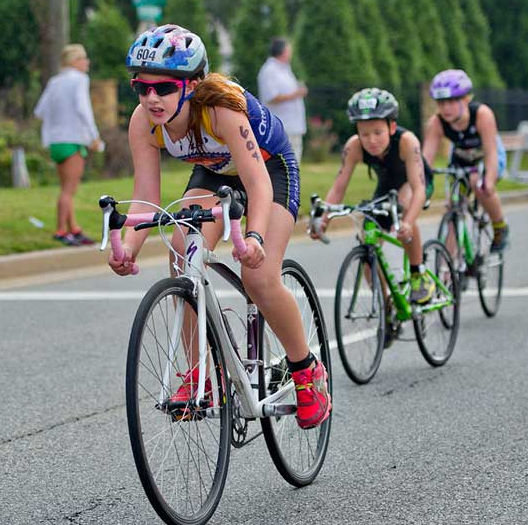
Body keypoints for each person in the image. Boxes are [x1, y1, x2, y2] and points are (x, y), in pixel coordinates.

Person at [110, 24, 330, 429]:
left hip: (269, 169)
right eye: (141, 88)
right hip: (214, 174)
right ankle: (201, 377)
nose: (151, 98)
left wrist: (254, 237)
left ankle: (306, 370)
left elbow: (258, 184)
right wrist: (128, 248)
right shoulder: (144, 122)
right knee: (181, 248)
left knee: (259, 275)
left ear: (192, 84)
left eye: (164, 87)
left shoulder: (221, 110)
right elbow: (146, 197)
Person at [311, 88, 435, 308]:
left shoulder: (408, 142)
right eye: (364, 133)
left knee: (403, 207)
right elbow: (339, 186)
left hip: (416, 182)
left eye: (378, 132)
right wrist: (325, 217)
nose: (371, 140)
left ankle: (418, 273)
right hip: (387, 186)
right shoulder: (354, 147)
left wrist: (406, 222)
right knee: (367, 235)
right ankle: (385, 304)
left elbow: (419, 189)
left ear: (392, 127)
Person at [422, 69, 509, 252]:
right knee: (453, 207)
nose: (446, 108)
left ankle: (499, 226)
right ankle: (448, 269)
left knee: (479, 184)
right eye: (441, 103)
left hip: (487, 155)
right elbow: (425, 161)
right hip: (460, 159)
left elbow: (491, 152)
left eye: (452, 101)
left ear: (466, 99)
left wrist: (489, 180)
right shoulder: (436, 123)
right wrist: (423, 184)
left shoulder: (482, 115)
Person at [34, 44, 103, 246]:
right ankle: (61, 230)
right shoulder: (80, 80)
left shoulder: (55, 81)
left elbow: (40, 111)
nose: (87, 62)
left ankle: (74, 228)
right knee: (69, 190)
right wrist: (94, 136)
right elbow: (84, 109)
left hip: (55, 142)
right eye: (83, 58)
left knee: (65, 187)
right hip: (73, 140)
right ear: (74, 61)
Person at [257, 37, 307, 161]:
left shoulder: (284, 69)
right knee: (284, 163)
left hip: (293, 126)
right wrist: (296, 94)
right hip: (281, 126)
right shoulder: (269, 71)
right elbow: (271, 96)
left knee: (294, 162)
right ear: (283, 51)